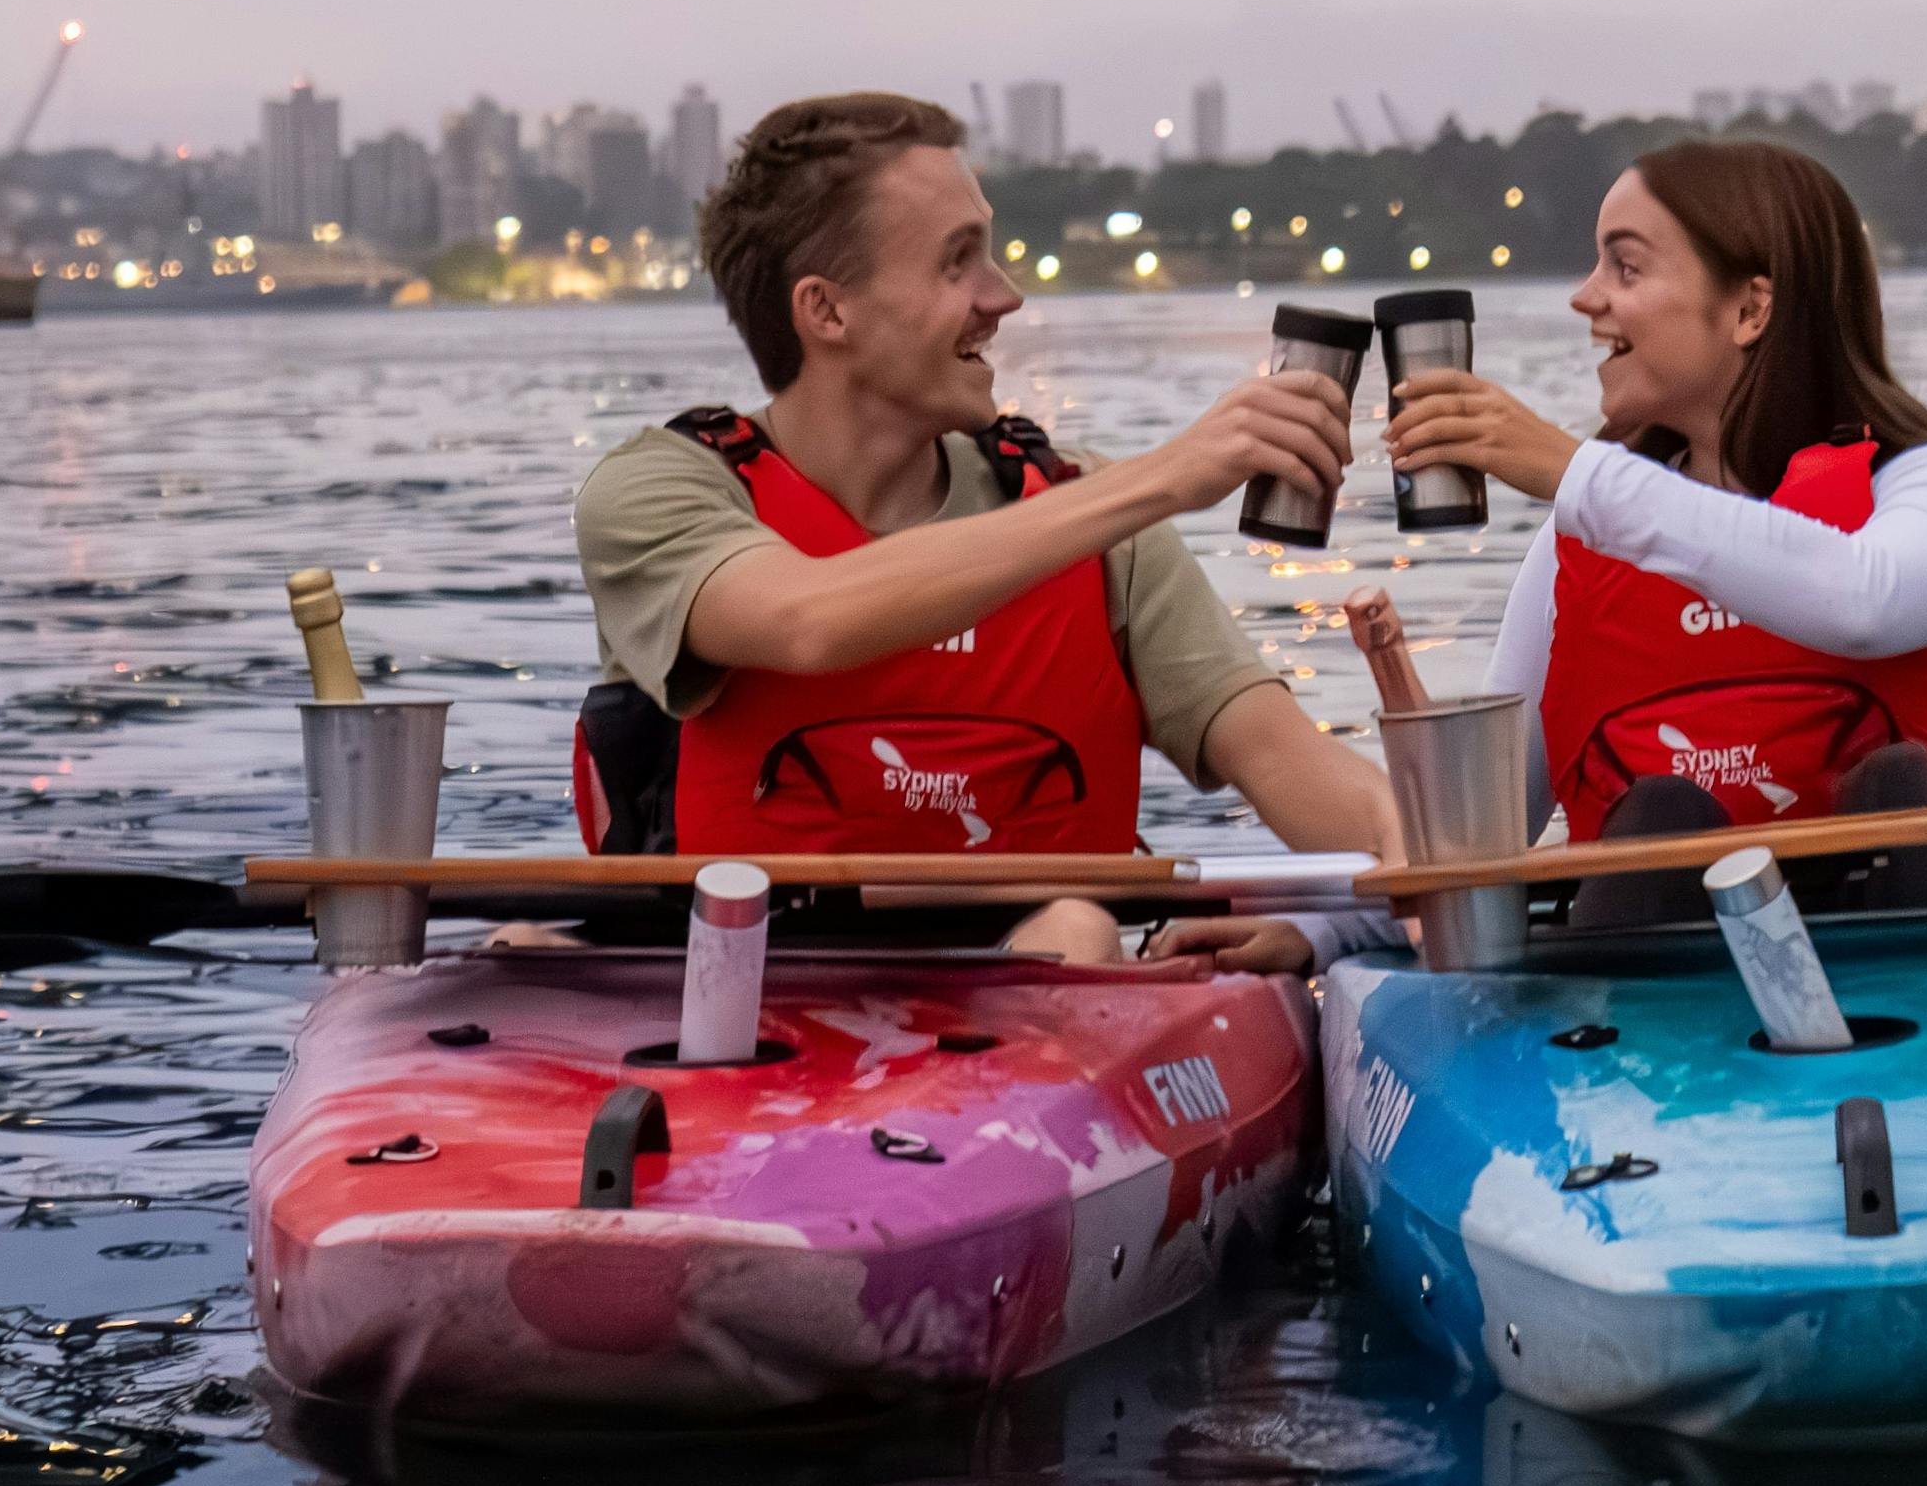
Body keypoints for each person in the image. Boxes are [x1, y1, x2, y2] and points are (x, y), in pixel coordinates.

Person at [575, 88, 1395, 962]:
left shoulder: (1097, 515)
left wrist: (1365, 882)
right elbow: (805, 618)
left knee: (1076, 928)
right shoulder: (657, 491)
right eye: (957, 262)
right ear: (826, 310)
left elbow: (1285, 761)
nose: (1004, 297)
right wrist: (1165, 475)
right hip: (733, 1009)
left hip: (1030, 1008)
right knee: (527, 941)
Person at [1374, 134, 1927, 901]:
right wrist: (1328, 933)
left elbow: (1864, 601)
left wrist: (1571, 468)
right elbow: (1479, 842)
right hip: (1661, 996)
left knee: (1900, 783)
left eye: (1626, 265)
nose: (1585, 297)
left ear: (1749, 308)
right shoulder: (1578, 542)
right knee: (1658, 815)